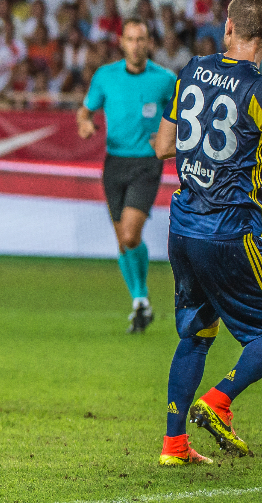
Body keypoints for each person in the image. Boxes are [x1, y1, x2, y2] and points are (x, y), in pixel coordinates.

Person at [152, 0, 262, 465]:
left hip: (183, 229)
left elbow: (164, 145)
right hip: (229, 232)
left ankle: (173, 446)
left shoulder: (191, 70)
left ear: (228, 27)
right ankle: (219, 400)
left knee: (196, 333)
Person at [77, 19, 177, 333]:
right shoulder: (105, 77)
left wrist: (166, 138)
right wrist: (84, 123)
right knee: (123, 242)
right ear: (121, 42)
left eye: (141, 39)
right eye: (130, 39)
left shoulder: (165, 80)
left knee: (131, 235)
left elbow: (184, 118)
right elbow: (85, 109)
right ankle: (140, 301)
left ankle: (140, 298)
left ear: (149, 43)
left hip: (146, 165)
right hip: (114, 165)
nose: (136, 45)